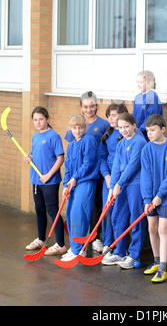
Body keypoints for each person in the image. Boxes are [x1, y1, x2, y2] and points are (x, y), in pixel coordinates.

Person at [65, 91, 109, 253]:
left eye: (92, 106)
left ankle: (96, 237)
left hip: (95, 172)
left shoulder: (103, 124)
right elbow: (72, 154)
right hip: (79, 177)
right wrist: (70, 179)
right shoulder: (77, 125)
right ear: (81, 107)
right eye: (86, 107)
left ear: (96, 106)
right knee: (80, 209)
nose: (89, 109)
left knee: (96, 205)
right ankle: (82, 240)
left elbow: (105, 148)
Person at [103, 112, 147, 269]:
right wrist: (112, 187)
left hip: (135, 185)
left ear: (134, 125)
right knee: (117, 216)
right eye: (120, 127)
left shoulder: (139, 142)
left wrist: (119, 185)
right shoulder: (121, 143)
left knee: (135, 219)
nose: (124, 130)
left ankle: (134, 254)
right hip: (121, 186)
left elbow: (133, 166)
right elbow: (116, 167)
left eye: (126, 127)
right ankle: (120, 252)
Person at [140, 114, 167, 283]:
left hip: (166, 197)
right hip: (151, 198)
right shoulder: (146, 149)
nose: (149, 134)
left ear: (163, 129)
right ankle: (156, 261)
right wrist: (148, 198)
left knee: (163, 230)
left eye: (153, 130)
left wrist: (160, 196)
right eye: (147, 131)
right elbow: (146, 175)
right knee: (152, 228)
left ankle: (163, 268)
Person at [24, 107, 66, 256]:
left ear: (47, 119)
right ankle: (41, 239)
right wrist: (30, 156)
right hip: (36, 179)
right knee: (39, 210)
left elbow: (60, 158)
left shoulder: (53, 136)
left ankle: (61, 244)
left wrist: (48, 175)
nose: (38, 122)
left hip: (50, 181)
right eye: (35, 120)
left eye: (41, 119)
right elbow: (37, 153)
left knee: (53, 211)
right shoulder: (35, 136)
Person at [60, 114, 100, 261]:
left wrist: (75, 178)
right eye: (74, 128)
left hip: (86, 182)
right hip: (73, 183)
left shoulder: (89, 140)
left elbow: (88, 163)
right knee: (70, 214)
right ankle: (75, 247)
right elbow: (68, 167)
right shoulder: (71, 145)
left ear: (85, 127)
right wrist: (66, 184)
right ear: (70, 129)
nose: (77, 131)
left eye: (80, 127)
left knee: (79, 214)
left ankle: (79, 250)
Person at [99, 103, 129, 254]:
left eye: (114, 115)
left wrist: (119, 180)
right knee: (108, 210)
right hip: (109, 181)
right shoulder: (107, 135)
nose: (110, 118)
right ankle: (107, 242)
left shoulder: (127, 135)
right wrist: (107, 176)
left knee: (120, 213)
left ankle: (120, 246)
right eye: (109, 115)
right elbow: (102, 158)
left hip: (123, 181)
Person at [132, 70, 163, 141]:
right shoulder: (138, 97)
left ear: (150, 83)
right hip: (138, 133)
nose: (138, 84)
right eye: (137, 82)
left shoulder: (152, 97)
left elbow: (152, 118)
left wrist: (139, 130)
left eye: (141, 82)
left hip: (148, 135)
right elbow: (134, 114)